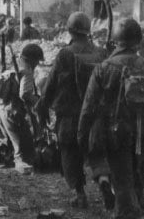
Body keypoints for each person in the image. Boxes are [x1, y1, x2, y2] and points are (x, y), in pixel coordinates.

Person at [78, 20, 144, 219]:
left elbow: (88, 107)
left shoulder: (105, 67)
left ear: (115, 40)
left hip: (117, 134)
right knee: (137, 179)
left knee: (122, 182)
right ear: (137, 41)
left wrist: (83, 137)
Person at [36, 12, 107, 207]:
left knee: (69, 153)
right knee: (96, 152)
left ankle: (80, 194)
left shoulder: (65, 54)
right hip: (95, 115)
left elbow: (51, 84)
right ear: (88, 30)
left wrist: (42, 105)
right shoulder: (101, 53)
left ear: (69, 30)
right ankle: (103, 180)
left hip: (69, 115)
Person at [0, 43, 44, 173]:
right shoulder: (27, 72)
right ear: (32, 60)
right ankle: (21, 163)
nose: (37, 64)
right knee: (25, 147)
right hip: (12, 114)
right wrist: (38, 101)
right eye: (37, 61)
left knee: (13, 141)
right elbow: (25, 94)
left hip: (1, 112)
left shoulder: (12, 71)